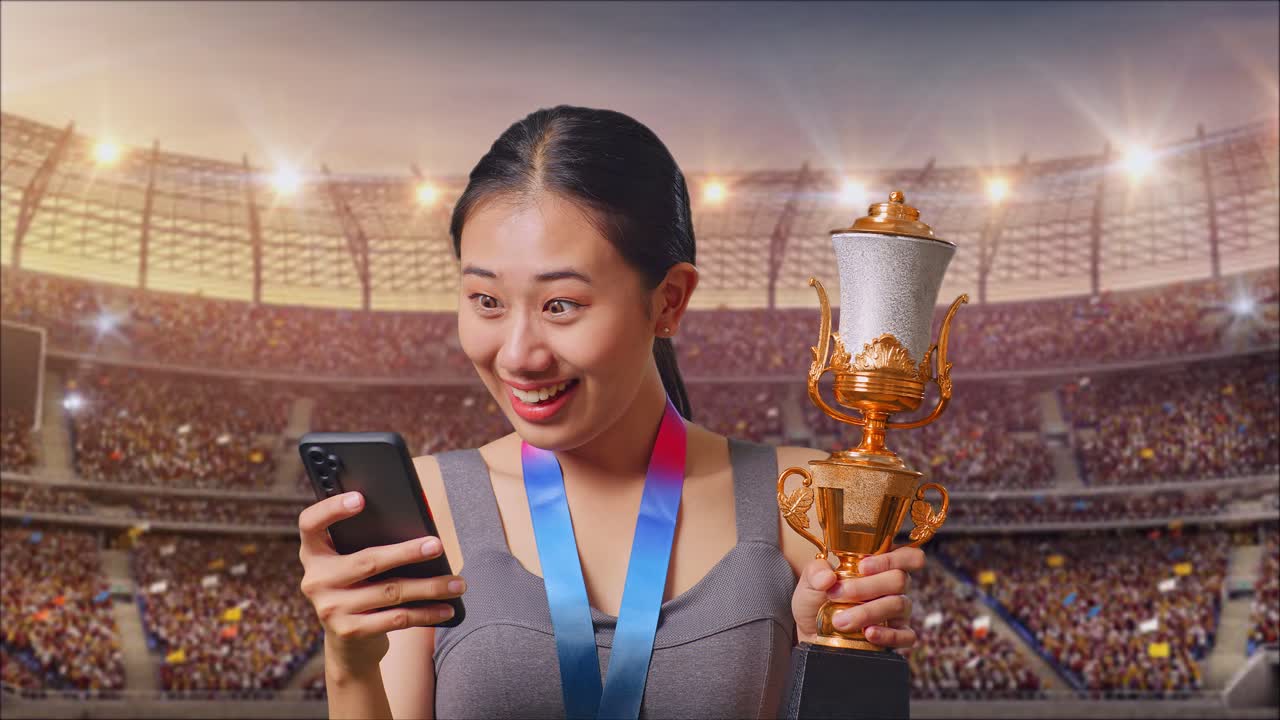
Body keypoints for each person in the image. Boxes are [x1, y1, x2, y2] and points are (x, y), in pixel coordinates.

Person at [298, 105, 924, 719]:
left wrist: (833, 656)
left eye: (561, 304)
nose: (517, 354)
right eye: (486, 300)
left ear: (669, 301)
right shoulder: (428, 504)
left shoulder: (803, 500)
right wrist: (349, 660)